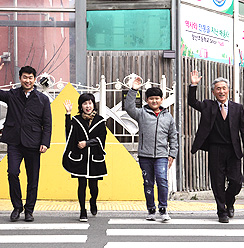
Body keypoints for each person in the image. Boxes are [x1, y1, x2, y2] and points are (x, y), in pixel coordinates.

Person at [188, 70, 244, 223]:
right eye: (218, 89)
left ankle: (229, 201)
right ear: (213, 92)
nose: (221, 91)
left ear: (228, 90)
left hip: (233, 150)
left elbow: (243, 130)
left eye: (224, 88)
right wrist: (193, 85)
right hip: (215, 149)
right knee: (217, 182)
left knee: (237, 182)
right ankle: (222, 212)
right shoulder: (208, 106)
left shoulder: (237, 108)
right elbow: (192, 102)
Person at [0, 58, 52, 222]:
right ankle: (17, 207)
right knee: (12, 173)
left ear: (34, 79)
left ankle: (29, 210)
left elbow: (47, 123)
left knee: (33, 178)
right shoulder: (12, 95)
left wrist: (45, 142)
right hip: (14, 142)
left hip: (34, 143)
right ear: (20, 78)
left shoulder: (42, 99)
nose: (27, 80)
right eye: (24, 77)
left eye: (30, 78)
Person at [124, 78, 178, 221]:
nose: (154, 101)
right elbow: (128, 107)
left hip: (161, 155)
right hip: (145, 156)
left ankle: (163, 208)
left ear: (162, 99)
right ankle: (151, 210)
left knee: (162, 181)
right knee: (148, 182)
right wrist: (133, 90)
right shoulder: (141, 113)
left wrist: (172, 153)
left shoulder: (168, 117)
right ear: (146, 100)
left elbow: (173, 136)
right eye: (151, 99)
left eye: (157, 98)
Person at [63, 94, 107, 222]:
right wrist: (68, 114)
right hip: (80, 159)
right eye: (85, 103)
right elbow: (69, 132)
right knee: (81, 185)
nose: (88, 106)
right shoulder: (76, 120)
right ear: (80, 106)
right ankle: (82, 210)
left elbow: (101, 138)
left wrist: (87, 143)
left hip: (94, 158)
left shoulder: (100, 120)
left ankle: (93, 201)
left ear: (93, 105)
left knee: (93, 186)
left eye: (90, 103)